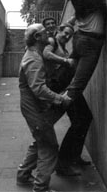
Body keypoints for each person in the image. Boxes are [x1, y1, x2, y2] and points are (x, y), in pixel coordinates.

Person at [16, 23, 71, 192]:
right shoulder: (33, 59)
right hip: (34, 109)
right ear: (37, 38)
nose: (48, 33)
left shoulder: (35, 54)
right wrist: (60, 98)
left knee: (41, 140)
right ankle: (40, 188)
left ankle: (23, 175)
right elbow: (38, 88)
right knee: (48, 146)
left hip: (33, 107)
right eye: (43, 32)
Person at [43, 23, 93, 176]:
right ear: (58, 31)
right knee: (81, 120)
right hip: (59, 88)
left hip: (67, 86)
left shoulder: (64, 48)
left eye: (69, 35)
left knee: (84, 119)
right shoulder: (52, 41)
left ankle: (73, 157)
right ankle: (64, 162)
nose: (67, 36)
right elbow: (46, 54)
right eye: (65, 33)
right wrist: (65, 61)